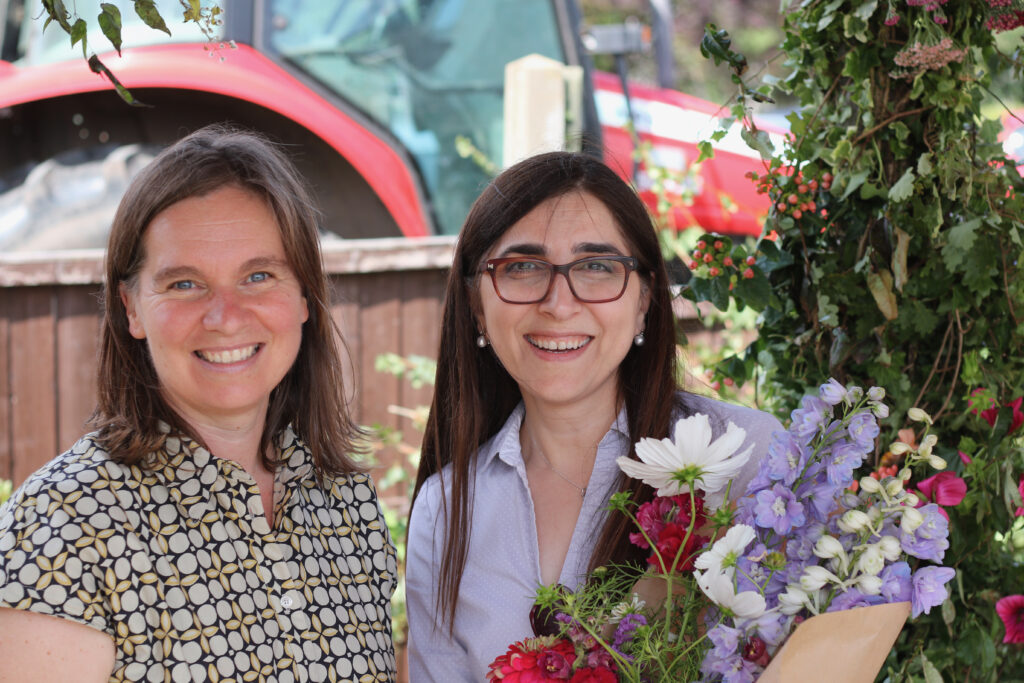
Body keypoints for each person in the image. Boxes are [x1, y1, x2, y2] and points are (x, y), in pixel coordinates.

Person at [0, 126, 397, 682]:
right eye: (185, 284)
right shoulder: (63, 524)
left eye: (258, 276)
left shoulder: (347, 502)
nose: (225, 317)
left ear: (305, 296)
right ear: (132, 308)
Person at [404, 150, 783, 681]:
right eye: (522, 267)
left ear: (644, 299)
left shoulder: (749, 457)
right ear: (476, 305)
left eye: (597, 266)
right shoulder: (445, 509)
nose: (559, 304)